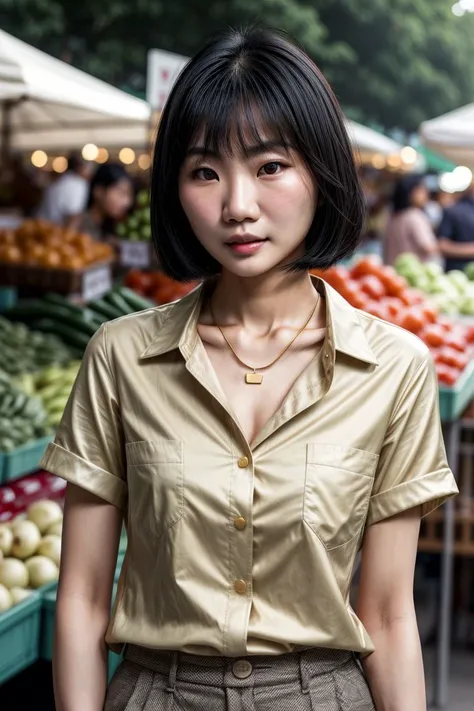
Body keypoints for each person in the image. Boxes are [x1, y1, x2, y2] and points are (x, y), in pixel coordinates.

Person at [41, 27, 457, 711]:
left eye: (269, 166)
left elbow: (387, 614)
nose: (237, 205)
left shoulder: (394, 368)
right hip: (154, 693)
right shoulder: (120, 357)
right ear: (175, 187)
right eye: (205, 171)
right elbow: (83, 598)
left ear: (321, 171)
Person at [384, 175, 441, 265]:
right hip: (412, 272)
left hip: (392, 270)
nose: (427, 194)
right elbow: (427, 247)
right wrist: (445, 246)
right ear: (411, 193)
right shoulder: (415, 216)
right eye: (422, 190)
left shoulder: (392, 216)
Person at [74, 163, 135, 240]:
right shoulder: (76, 225)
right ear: (98, 191)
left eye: (129, 195)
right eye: (121, 193)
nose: (127, 202)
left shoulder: (118, 227)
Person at [37, 152, 94, 225]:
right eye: (88, 168)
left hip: (45, 225)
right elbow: (74, 216)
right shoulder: (79, 184)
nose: (90, 172)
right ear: (80, 167)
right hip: (58, 229)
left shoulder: (58, 181)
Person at [437, 183, 474, 272]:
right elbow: (442, 245)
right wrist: (469, 250)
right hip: (458, 271)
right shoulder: (453, 211)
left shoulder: (452, 210)